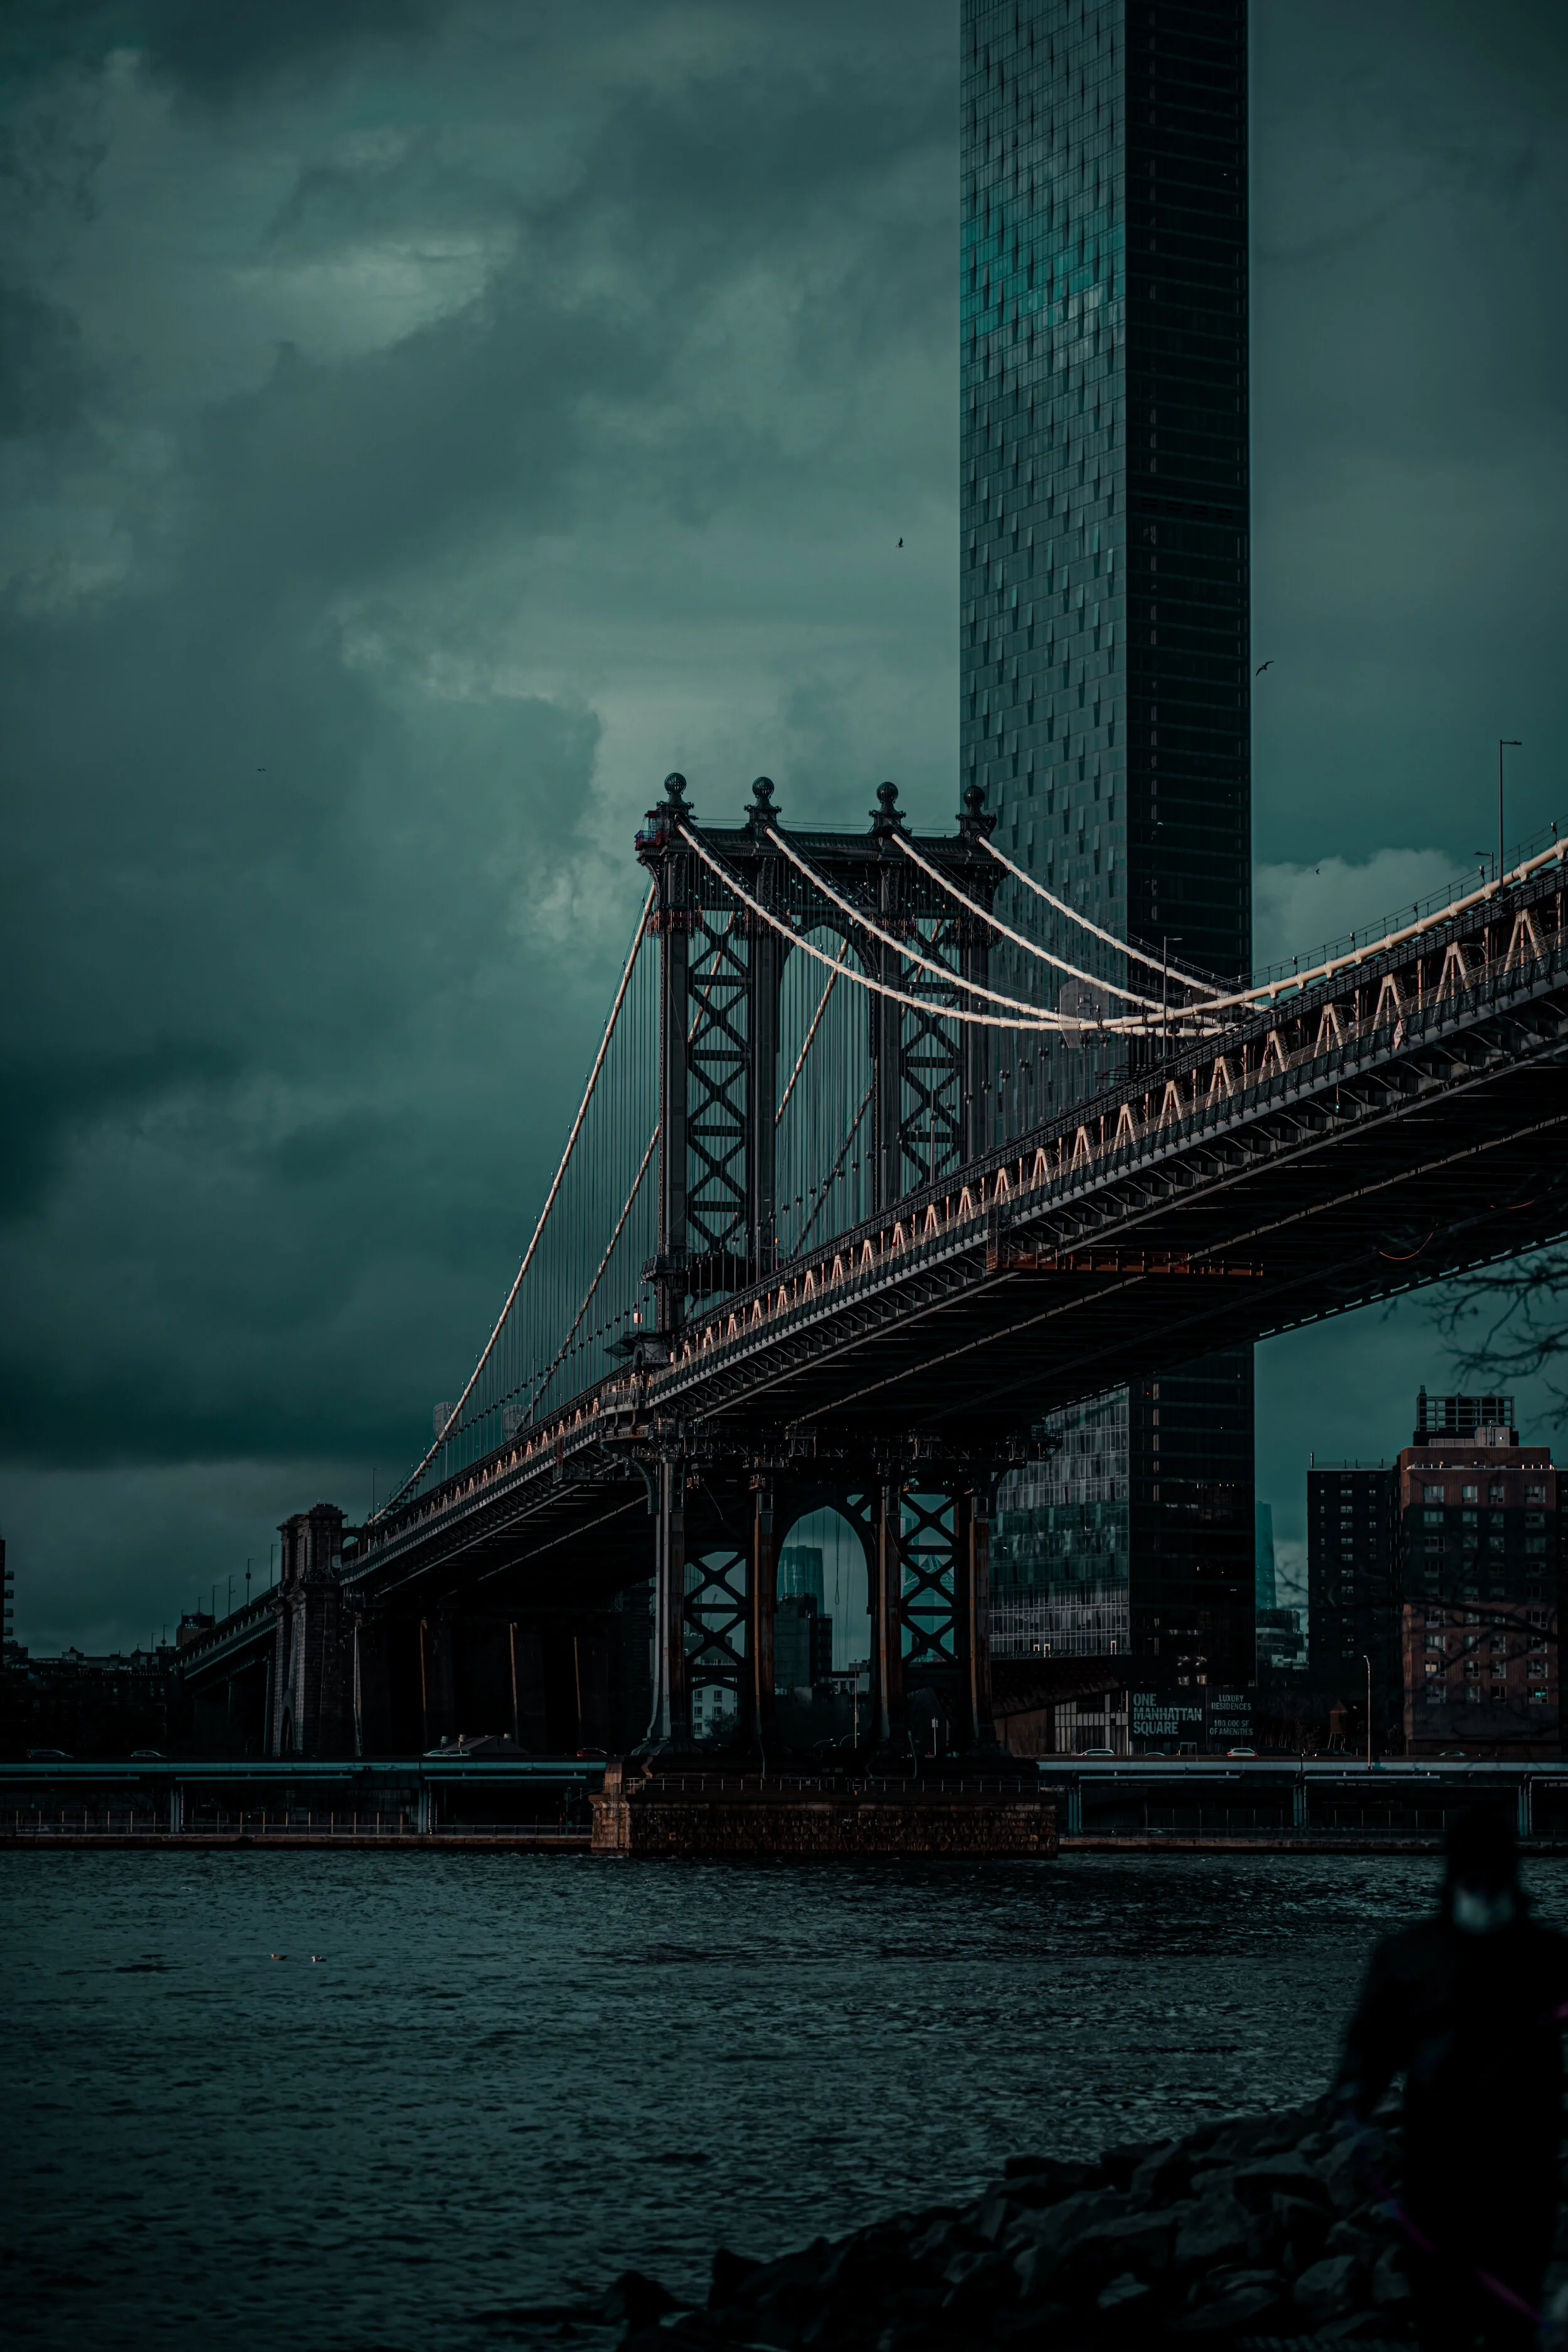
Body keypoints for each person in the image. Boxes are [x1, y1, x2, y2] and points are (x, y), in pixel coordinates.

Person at [1338, 1806, 1568, 2352]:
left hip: (1522, 2171)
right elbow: (1370, 2046)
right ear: (1455, 1878)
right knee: (1442, 2315)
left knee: (1512, 2311)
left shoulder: (1549, 1957)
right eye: (1475, 1879)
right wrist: (1352, 2099)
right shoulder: (1407, 1956)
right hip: (1438, 2167)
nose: (1485, 1891)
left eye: (1494, 1879)